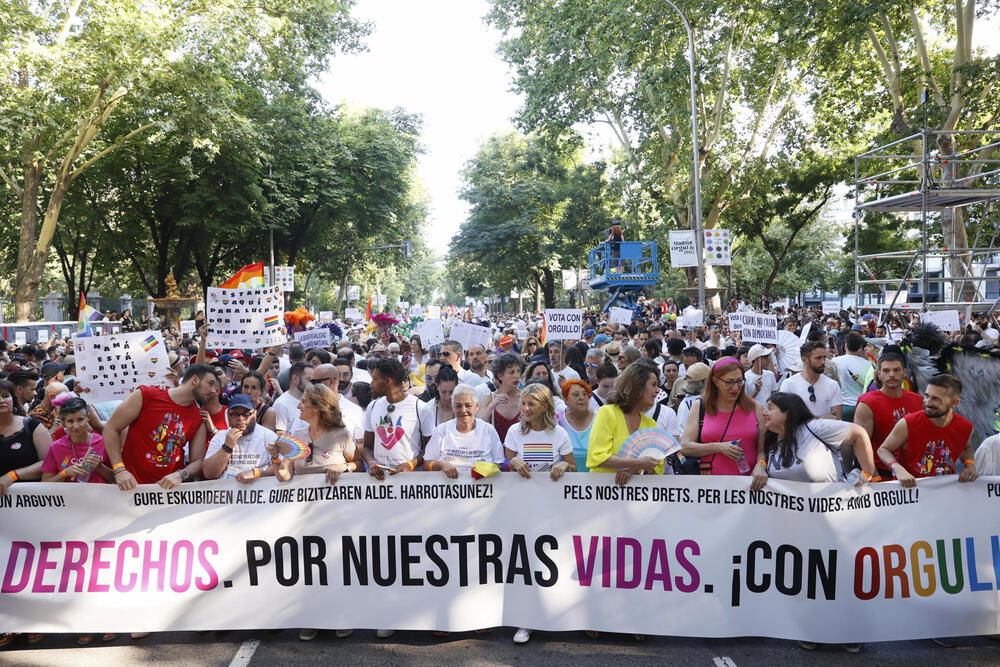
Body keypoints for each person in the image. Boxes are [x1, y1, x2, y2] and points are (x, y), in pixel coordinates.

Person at [503, 382, 577, 646]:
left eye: (530, 404)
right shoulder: (514, 432)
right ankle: (526, 620)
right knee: (525, 564)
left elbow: (573, 467)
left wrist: (562, 467)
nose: (525, 408)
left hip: (551, 510)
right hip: (520, 508)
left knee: (549, 564)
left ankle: (552, 614)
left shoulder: (559, 434)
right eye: (523, 403)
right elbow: (503, 466)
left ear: (545, 406)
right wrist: (511, 461)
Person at [104, 364, 216, 490]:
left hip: (168, 494)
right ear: (195, 380)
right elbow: (111, 428)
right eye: (210, 383)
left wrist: (181, 474)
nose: (214, 390)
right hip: (131, 488)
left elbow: (198, 461)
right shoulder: (147, 395)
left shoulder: (198, 417)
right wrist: (119, 469)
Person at [877, 374, 977, 488]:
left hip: (945, 493)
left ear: (954, 403)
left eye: (935, 399)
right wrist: (898, 469)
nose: (927, 402)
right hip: (910, 494)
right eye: (926, 396)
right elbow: (883, 450)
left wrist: (970, 465)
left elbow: (967, 447)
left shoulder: (965, 427)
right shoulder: (908, 423)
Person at [761, 392, 878, 483]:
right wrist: (761, 465)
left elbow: (858, 433)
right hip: (793, 512)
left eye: (770, 408)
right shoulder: (772, 440)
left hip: (830, 508)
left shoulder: (815, 427)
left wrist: (867, 473)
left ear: (787, 413)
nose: (764, 413)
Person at [680, 357, 766, 481]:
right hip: (711, 488)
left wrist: (761, 465)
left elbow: (762, 451)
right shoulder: (700, 406)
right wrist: (719, 447)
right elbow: (686, 447)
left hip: (748, 487)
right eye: (729, 382)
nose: (736, 388)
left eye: (740, 381)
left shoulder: (756, 407)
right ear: (715, 381)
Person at [586, 361, 663, 484]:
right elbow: (596, 457)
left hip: (635, 499)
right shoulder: (608, 413)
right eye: (653, 385)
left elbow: (657, 469)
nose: (658, 390)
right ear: (638, 386)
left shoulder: (650, 424)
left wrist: (634, 469)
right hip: (600, 495)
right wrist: (638, 463)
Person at [423, 384, 504, 477]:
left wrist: (486, 471)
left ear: (476, 406)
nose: (463, 410)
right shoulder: (442, 430)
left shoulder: (488, 430)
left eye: (468, 405)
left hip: (481, 487)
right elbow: (426, 465)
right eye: (458, 406)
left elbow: (500, 463)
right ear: (453, 407)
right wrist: (441, 464)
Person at [202, 394, 278, 480]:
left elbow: (282, 468)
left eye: (246, 414)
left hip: (258, 491)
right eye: (235, 414)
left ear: (255, 414)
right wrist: (226, 448)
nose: (241, 418)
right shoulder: (220, 437)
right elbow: (208, 473)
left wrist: (256, 472)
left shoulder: (268, 436)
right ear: (228, 415)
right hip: (227, 491)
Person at [40, 397, 111, 484]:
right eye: (70, 421)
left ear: (88, 417)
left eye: (80, 420)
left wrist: (100, 468)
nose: (76, 425)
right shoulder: (56, 448)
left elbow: (118, 478)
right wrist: (64, 473)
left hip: (101, 496)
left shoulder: (104, 442)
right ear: (63, 422)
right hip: (69, 496)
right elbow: (45, 483)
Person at [780, 341, 842, 420]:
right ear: (805, 360)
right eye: (818, 358)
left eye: (824, 357)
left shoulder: (833, 385)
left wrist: (802, 417)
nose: (823, 362)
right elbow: (785, 417)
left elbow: (837, 420)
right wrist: (820, 418)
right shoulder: (789, 384)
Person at [831, 332, 874, 422]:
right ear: (860, 348)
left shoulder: (834, 361)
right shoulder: (868, 365)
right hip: (861, 406)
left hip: (842, 406)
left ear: (846, 346)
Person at [557, 379, 596, 472]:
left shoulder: (599, 418)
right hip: (566, 481)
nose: (582, 397)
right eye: (576, 395)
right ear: (566, 400)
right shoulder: (557, 420)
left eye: (585, 394)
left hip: (596, 480)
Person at [272, 361, 314, 435]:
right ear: (295, 379)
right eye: (309, 379)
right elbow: (280, 437)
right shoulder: (281, 404)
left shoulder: (313, 400)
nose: (313, 383)